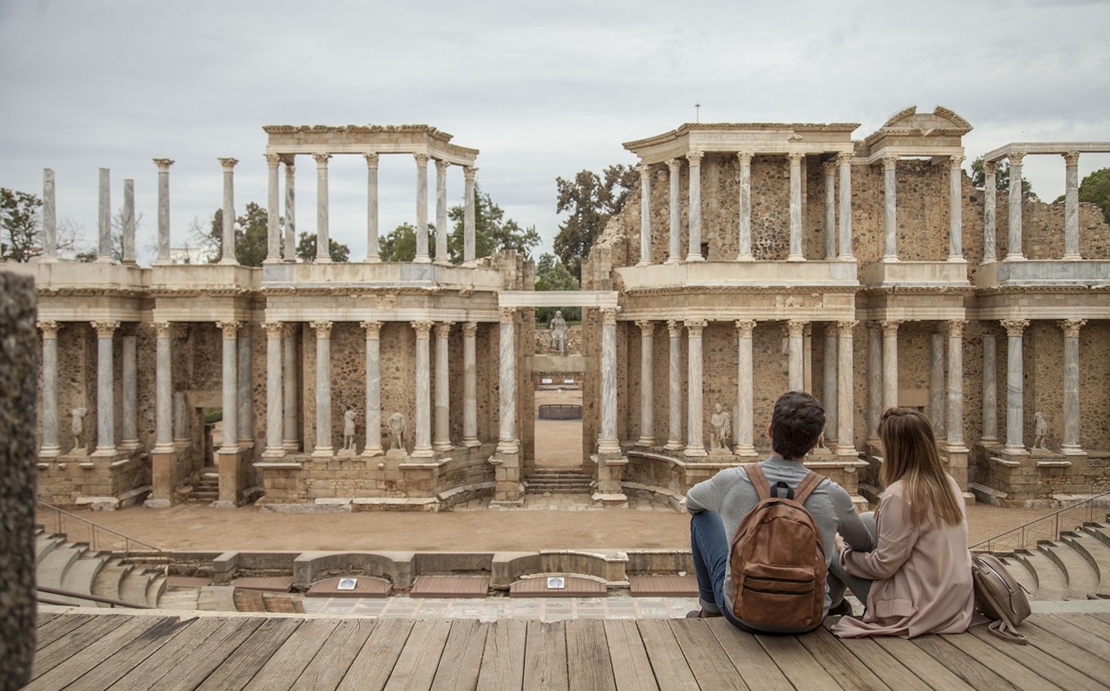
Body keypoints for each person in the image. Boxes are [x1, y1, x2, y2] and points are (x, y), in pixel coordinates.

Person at [686, 391, 874, 633]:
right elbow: (863, 543)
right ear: (816, 442)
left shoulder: (732, 480)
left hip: (742, 613)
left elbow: (692, 503)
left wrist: (733, 517)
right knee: (838, 542)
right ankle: (836, 602)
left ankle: (710, 608)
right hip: (809, 617)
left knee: (702, 516)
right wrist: (833, 540)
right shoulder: (833, 494)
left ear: (770, 431)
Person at [831, 407, 974, 638]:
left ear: (894, 448)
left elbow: (883, 566)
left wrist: (843, 550)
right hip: (954, 598)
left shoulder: (900, 494)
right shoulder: (949, 484)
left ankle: (832, 605)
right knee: (868, 519)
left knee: (830, 545)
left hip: (920, 606)